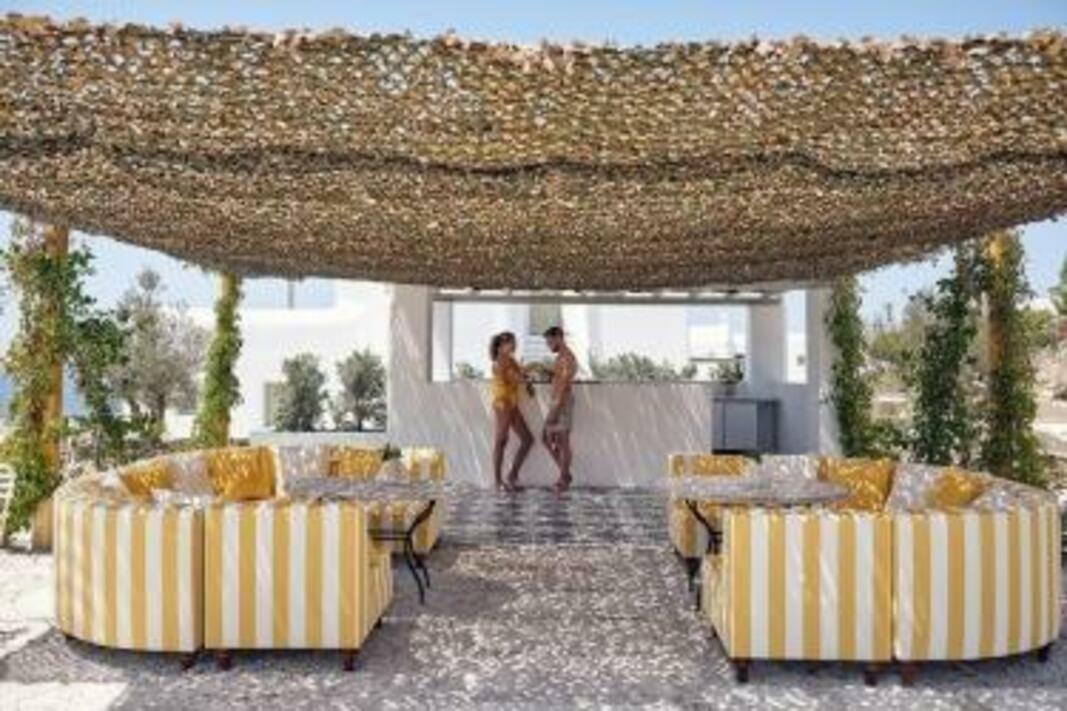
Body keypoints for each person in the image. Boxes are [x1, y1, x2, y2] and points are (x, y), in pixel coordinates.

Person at [488, 331, 534, 491]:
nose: (514, 345)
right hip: (503, 404)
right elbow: (516, 377)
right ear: (500, 346)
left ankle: (512, 475)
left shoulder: (511, 360)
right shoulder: (498, 362)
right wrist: (525, 379)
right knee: (501, 441)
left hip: (512, 403)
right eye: (510, 343)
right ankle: (497, 482)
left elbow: (521, 374)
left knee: (527, 439)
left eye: (514, 342)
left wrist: (528, 379)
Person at [541, 326, 577, 492]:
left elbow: (563, 386)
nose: (548, 346)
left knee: (562, 441)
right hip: (557, 401)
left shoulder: (567, 358)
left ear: (559, 338)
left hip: (562, 403)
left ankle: (563, 479)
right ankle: (565, 475)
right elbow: (560, 379)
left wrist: (555, 411)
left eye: (550, 342)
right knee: (548, 438)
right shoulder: (561, 358)